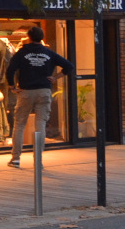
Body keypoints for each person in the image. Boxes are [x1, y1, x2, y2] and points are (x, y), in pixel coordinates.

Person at [4, 26, 75, 168]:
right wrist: (56, 77)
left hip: (26, 92)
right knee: (40, 124)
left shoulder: (22, 52)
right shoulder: (48, 52)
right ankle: (38, 160)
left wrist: (12, 86)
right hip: (44, 91)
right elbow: (69, 66)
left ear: (29, 37)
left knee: (19, 124)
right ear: (41, 38)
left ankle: (16, 158)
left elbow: (10, 70)